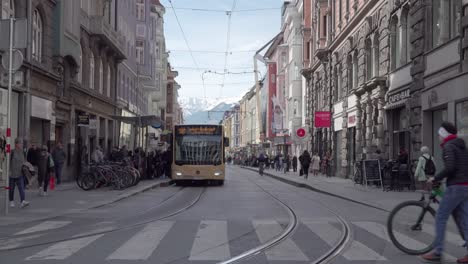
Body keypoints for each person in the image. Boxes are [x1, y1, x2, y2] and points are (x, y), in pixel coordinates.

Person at [421, 122, 468, 262]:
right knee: (464, 219)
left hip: (456, 187)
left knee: (441, 217)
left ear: (444, 134)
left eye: (439, 135)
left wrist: (435, 178)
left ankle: (438, 252)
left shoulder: (448, 146)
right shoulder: (461, 146)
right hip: (465, 186)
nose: (438, 137)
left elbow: (450, 167)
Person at [9, 138, 29, 208]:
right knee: (11, 188)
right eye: (20, 143)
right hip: (12, 174)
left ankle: (22, 201)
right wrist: (9, 171)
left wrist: (26, 168)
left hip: (20, 173)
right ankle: (11, 201)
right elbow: (8, 162)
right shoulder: (12, 152)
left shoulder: (23, 152)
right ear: (16, 144)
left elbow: (24, 162)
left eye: (22, 143)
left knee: (21, 188)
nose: (21, 145)